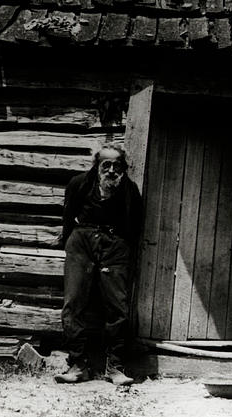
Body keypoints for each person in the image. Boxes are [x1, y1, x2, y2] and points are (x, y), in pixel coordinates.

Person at [54, 144, 143, 386]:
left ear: (123, 168)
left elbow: (135, 226)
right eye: (106, 164)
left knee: (118, 308)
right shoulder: (79, 184)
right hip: (81, 242)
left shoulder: (129, 190)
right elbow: (68, 215)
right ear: (97, 165)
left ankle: (114, 367)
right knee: (73, 303)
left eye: (117, 165)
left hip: (115, 246)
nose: (112, 170)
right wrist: (71, 244)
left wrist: (121, 250)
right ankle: (78, 365)